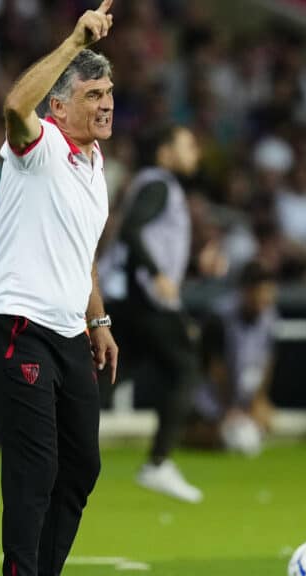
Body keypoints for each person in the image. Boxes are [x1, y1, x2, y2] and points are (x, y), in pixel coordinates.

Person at [0, 3, 119, 576]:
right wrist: (72, 40)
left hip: (68, 331)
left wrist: (99, 317)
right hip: (16, 322)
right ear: (58, 106)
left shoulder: (94, 162)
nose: (106, 103)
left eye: (109, 92)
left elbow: (80, 249)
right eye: (92, 94)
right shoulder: (39, 146)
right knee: (35, 469)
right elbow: (14, 105)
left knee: (82, 466)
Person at [99, 122, 203, 503]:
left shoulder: (151, 184)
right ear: (164, 151)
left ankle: (55, 441)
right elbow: (132, 231)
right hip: (144, 298)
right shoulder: (160, 184)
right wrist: (158, 274)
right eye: (188, 144)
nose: (196, 153)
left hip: (125, 295)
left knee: (113, 371)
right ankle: (158, 463)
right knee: (185, 366)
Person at [187, 261, 278, 456]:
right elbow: (215, 369)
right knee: (216, 436)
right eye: (261, 293)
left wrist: (257, 401)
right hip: (211, 397)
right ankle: (190, 433)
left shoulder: (270, 317)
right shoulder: (220, 316)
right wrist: (229, 410)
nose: (266, 298)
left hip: (243, 392)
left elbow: (267, 362)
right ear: (247, 291)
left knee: (266, 420)